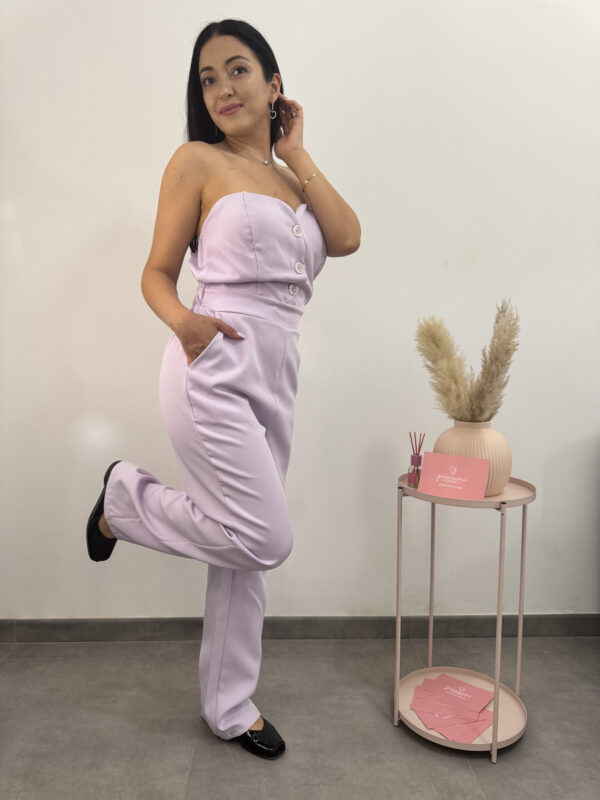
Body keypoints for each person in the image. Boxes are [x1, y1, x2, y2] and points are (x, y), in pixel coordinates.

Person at [86, 18, 360, 760]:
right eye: (208, 79)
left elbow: (346, 237)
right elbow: (156, 272)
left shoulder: (292, 179)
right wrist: (185, 324)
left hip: (278, 374)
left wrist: (296, 151)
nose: (222, 89)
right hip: (212, 365)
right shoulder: (196, 161)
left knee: (241, 552)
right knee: (264, 537)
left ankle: (229, 707)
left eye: (238, 70)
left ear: (274, 85)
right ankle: (124, 500)